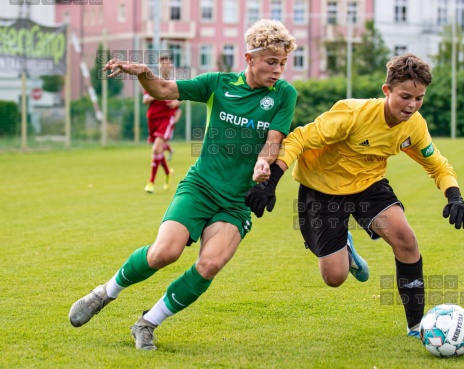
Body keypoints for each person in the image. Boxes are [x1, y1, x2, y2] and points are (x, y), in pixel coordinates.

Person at [68, 19, 298, 351]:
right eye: (271, 62)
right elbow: (163, 90)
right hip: (201, 186)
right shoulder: (217, 84)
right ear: (249, 58)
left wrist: (264, 162)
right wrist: (143, 72)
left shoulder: (284, 94)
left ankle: (147, 323)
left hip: (236, 201)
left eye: (282, 63)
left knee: (209, 264)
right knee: (164, 253)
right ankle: (105, 293)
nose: (278, 70)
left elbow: (274, 139)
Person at [245, 53, 464, 338]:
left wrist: (455, 197)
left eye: (419, 98)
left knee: (406, 239)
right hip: (322, 189)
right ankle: (346, 249)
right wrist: (271, 180)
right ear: (387, 90)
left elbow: (437, 164)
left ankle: (417, 326)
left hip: (368, 184)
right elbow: (299, 138)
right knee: (334, 277)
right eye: (405, 96)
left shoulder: (414, 125)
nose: (412, 105)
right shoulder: (352, 114)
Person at [143, 54, 182, 193]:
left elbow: (183, 97)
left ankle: (151, 182)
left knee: (156, 149)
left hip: (167, 119)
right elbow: (145, 100)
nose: (165, 66)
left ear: (171, 66)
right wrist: (158, 93)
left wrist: (177, 102)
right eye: (162, 64)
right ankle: (167, 172)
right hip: (153, 119)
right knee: (158, 150)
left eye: (168, 64)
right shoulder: (153, 81)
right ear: (159, 67)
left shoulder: (175, 82)